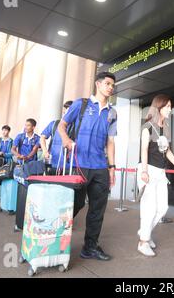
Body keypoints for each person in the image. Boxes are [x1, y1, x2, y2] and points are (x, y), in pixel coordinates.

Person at [59, 71, 117, 261]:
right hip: (79, 164)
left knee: (97, 209)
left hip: (100, 166)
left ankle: (90, 247)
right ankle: (53, 239)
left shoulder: (112, 112)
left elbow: (110, 142)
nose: (111, 87)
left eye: (112, 85)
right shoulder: (81, 105)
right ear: (98, 84)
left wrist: (112, 167)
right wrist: (66, 140)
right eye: (108, 83)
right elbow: (62, 126)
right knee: (72, 205)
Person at [137, 94, 174, 257]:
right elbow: (143, 150)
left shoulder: (166, 127)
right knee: (149, 208)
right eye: (167, 106)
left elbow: (167, 151)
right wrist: (144, 171)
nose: (170, 109)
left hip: (161, 172)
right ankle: (143, 241)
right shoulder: (147, 127)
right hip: (147, 169)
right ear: (158, 107)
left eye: (170, 106)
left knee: (162, 208)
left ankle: (145, 232)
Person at [40, 101, 73, 175]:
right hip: (52, 163)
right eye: (66, 110)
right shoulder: (54, 124)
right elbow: (42, 137)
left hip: (69, 166)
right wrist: (45, 151)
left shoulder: (76, 126)